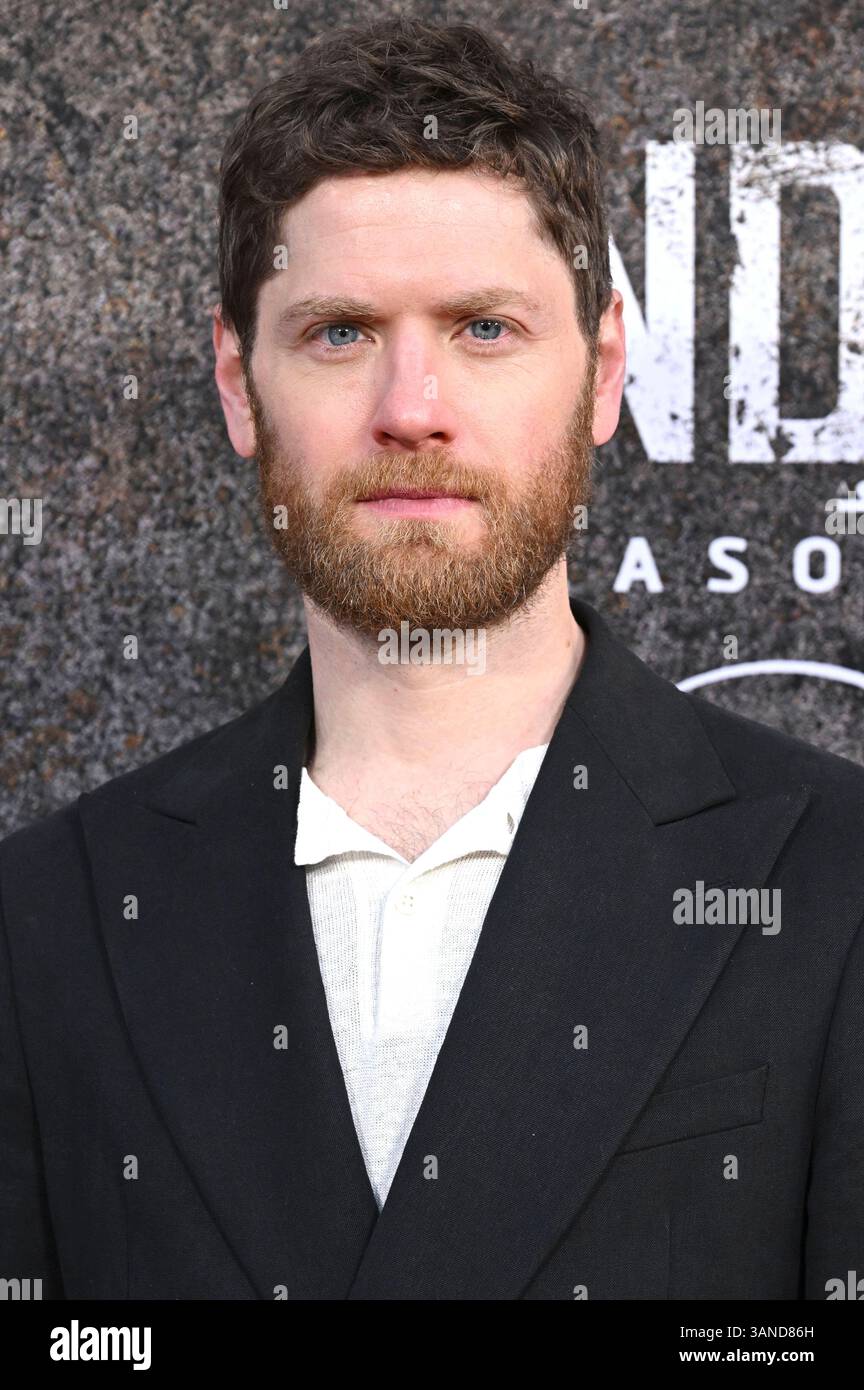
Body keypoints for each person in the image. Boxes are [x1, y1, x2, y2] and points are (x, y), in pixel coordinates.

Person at [1, 15, 862, 1302]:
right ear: (239, 383)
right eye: (341, 332)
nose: (413, 406)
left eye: (484, 328)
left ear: (604, 368)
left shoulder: (840, 885)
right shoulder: (49, 921)